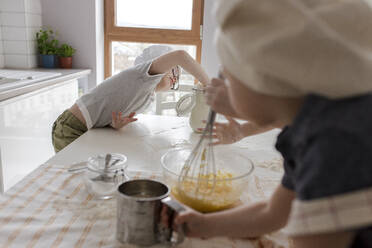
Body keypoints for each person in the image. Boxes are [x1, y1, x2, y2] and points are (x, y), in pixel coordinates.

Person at [175, 0, 372, 247]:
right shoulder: (317, 124)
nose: (223, 86)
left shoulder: (335, 148)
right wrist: (204, 225)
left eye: (228, 75)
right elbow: (273, 213)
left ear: (264, 80)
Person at [52, 45, 210, 152]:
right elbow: (180, 55)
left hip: (88, 128)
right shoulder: (141, 76)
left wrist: (115, 124)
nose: (175, 79)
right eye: (173, 72)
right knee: (73, 174)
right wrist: (209, 84)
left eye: (178, 77)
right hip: (70, 128)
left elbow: (109, 115)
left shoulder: (147, 96)